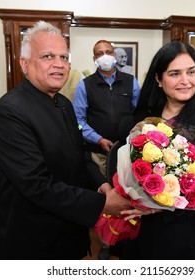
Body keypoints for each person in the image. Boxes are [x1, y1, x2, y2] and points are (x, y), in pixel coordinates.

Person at [0, 21, 132, 260]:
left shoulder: (63, 103)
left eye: (64, 57)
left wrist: (101, 184)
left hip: (71, 233)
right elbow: (36, 184)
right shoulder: (7, 113)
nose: (59, 64)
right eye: (47, 56)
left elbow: (79, 155)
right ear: (24, 64)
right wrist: (101, 203)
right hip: (31, 242)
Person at [117, 41, 195, 260]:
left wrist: (165, 204)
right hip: (151, 229)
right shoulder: (143, 116)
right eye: (174, 73)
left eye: (191, 72)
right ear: (158, 79)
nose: (185, 81)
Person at [72, 39, 140, 259]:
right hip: (98, 153)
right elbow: (78, 120)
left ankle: (125, 240)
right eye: (99, 53)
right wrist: (98, 138)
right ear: (94, 59)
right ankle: (104, 243)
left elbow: (139, 115)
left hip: (127, 153)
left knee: (128, 196)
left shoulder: (131, 82)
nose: (105, 56)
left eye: (108, 51)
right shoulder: (85, 85)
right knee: (104, 199)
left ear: (114, 54)